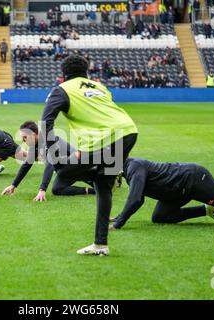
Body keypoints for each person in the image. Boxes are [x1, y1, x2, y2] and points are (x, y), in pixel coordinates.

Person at [40, 55, 138, 256]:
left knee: (63, 171)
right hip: (129, 131)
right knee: (103, 185)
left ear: (63, 75)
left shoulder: (62, 89)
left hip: (105, 139)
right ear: (87, 72)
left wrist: (53, 154)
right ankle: (100, 244)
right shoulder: (100, 87)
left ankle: (95, 172)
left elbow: (46, 122)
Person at [2, 121, 95, 201]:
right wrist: (13, 185)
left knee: (99, 181)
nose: (23, 140)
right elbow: (26, 165)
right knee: (57, 190)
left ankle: (95, 176)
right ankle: (93, 191)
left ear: (33, 134)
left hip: (80, 166)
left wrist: (42, 189)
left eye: (25, 137)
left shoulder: (49, 140)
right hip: (65, 171)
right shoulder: (34, 145)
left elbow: (50, 165)